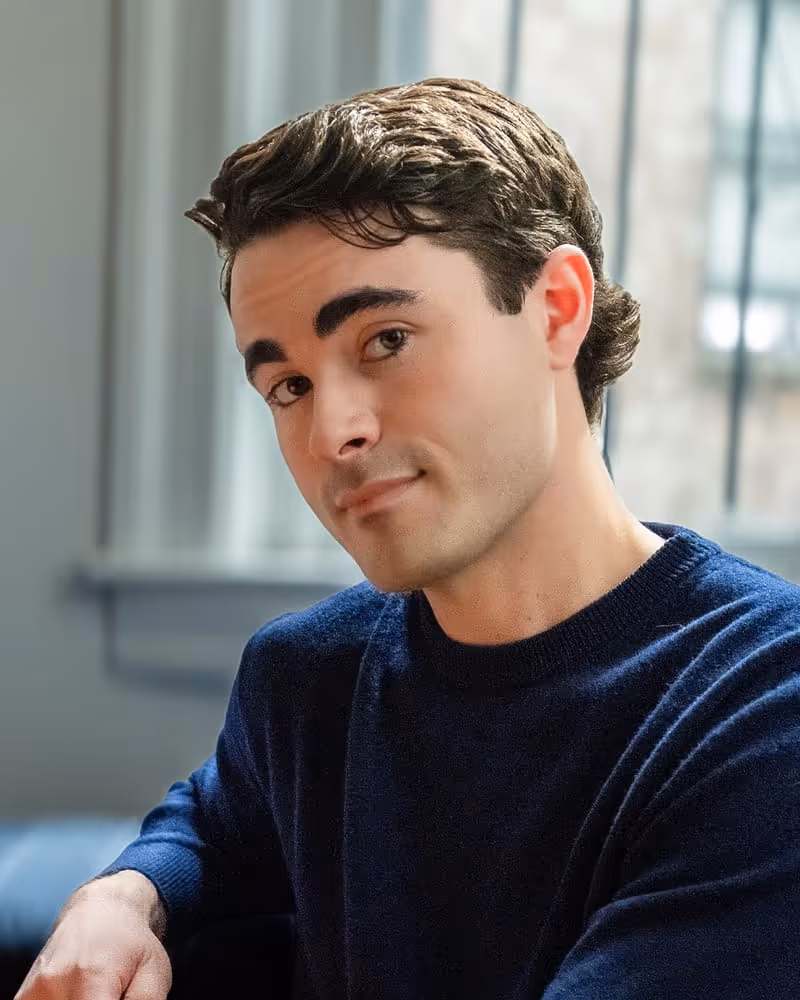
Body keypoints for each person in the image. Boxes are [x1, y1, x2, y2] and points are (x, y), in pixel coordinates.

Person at [17, 77, 800, 1000]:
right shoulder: (306, 677)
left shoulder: (762, 707)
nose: (328, 433)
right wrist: (120, 898)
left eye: (386, 339)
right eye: (289, 387)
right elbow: (208, 827)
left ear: (555, 308)